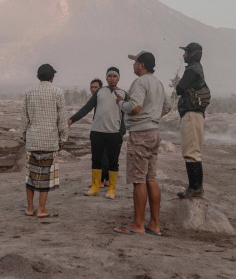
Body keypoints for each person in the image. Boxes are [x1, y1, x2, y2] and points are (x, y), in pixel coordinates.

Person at [112, 51, 171, 236]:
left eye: (135, 62)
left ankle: (137, 224)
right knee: (151, 178)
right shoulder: (158, 83)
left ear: (141, 65)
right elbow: (167, 107)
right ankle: (154, 224)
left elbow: (135, 107)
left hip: (140, 134)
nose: (133, 65)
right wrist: (152, 116)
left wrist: (122, 104)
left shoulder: (140, 82)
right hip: (154, 132)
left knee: (138, 179)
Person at [69, 69, 126, 199]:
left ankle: (111, 188)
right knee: (96, 159)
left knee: (113, 162)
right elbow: (87, 107)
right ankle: (95, 186)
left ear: (118, 79)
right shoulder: (100, 92)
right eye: (109, 76)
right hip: (97, 132)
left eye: (114, 76)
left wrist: (122, 131)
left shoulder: (123, 93)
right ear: (106, 78)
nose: (112, 78)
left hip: (114, 133)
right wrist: (71, 120)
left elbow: (127, 113)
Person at [22, 64, 68, 216]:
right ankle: (41, 209)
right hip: (49, 141)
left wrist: (23, 135)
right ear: (52, 77)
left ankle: (30, 208)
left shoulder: (29, 92)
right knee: (45, 176)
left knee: (31, 175)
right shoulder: (58, 92)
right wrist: (63, 138)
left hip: (33, 140)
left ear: (38, 76)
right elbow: (62, 119)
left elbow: (24, 118)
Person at [174, 42, 207, 198]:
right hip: (195, 114)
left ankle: (195, 188)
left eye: (186, 52)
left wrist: (178, 82)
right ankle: (195, 187)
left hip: (191, 114)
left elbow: (180, 88)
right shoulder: (196, 69)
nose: (183, 55)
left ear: (192, 54)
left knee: (191, 152)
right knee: (192, 151)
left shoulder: (193, 70)